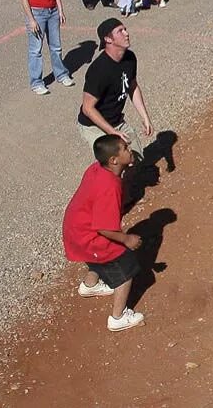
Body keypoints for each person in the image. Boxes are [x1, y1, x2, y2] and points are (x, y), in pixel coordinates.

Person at [62, 134, 146, 332]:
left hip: (75, 228)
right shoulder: (109, 186)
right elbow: (104, 228)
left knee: (99, 258)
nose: (130, 148)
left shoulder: (97, 169)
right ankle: (118, 317)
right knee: (126, 266)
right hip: (89, 235)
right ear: (114, 160)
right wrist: (127, 239)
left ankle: (90, 286)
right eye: (125, 148)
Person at [78, 18, 153, 153]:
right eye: (120, 31)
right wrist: (112, 132)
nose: (126, 33)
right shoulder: (99, 70)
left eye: (125, 29)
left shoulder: (130, 58)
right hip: (93, 125)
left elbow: (133, 86)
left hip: (116, 120)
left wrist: (145, 117)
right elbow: (87, 108)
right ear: (108, 39)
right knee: (115, 160)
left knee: (136, 157)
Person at [17, 0, 75, 95]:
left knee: (56, 46)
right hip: (37, 13)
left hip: (52, 12)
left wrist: (61, 10)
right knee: (35, 50)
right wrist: (31, 19)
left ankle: (61, 74)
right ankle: (37, 82)